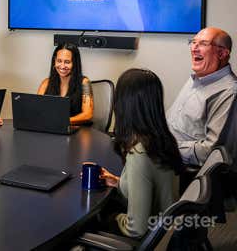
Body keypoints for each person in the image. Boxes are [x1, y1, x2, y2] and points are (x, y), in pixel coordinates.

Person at [97, 69, 183, 238]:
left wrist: (112, 219)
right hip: (166, 231)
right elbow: (151, 183)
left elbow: (136, 229)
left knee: (90, 221)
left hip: (151, 238)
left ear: (124, 104)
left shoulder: (139, 153)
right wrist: (119, 182)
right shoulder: (161, 138)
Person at [166, 27, 236, 166]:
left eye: (203, 44)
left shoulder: (229, 92)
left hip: (180, 168)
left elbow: (210, 152)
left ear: (222, 53)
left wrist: (164, 148)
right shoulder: (197, 77)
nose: (194, 48)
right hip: (162, 152)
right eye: (193, 42)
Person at [37, 42, 93, 125]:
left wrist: (62, 121)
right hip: (51, 130)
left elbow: (88, 115)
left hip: (76, 131)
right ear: (54, 61)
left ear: (75, 63)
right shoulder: (46, 83)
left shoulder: (84, 82)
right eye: (59, 61)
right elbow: (37, 110)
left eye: (67, 62)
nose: (62, 66)